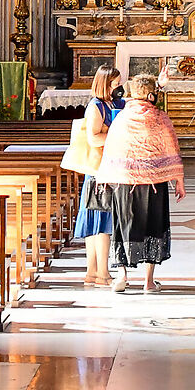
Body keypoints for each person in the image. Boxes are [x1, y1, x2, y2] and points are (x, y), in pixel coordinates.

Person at [94, 74, 185, 291]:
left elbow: (112, 149)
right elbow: (172, 148)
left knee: (124, 225)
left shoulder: (122, 118)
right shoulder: (160, 118)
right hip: (153, 180)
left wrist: (105, 177)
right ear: (152, 95)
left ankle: (121, 276)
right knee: (154, 226)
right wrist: (178, 180)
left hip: (124, 181)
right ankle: (148, 281)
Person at [73, 65, 120, 288]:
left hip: (106, 168)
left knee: (97, 221)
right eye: (116, 84)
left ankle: (92, 272)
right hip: (98, 171)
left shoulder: (112, 103)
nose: (120, 87)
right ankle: (102, 273)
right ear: (105, 83)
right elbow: (93, 138)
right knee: (101, 223)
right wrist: (118, 134)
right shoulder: (96, 106)